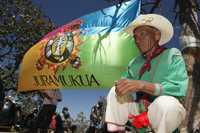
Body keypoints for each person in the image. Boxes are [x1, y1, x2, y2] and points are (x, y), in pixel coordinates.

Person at [105, 14, 188, 133]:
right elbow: (124, 83)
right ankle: (118, 128)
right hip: (139, 109)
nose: (137, 40)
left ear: (157, 35)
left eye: (143, 34)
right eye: (135, 37)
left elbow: (178, 87)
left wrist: (142, 85)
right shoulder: (134, 62)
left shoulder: (172, 54)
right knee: (115, 91)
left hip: (160, 112)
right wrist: (121, 86)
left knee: (167, 105)